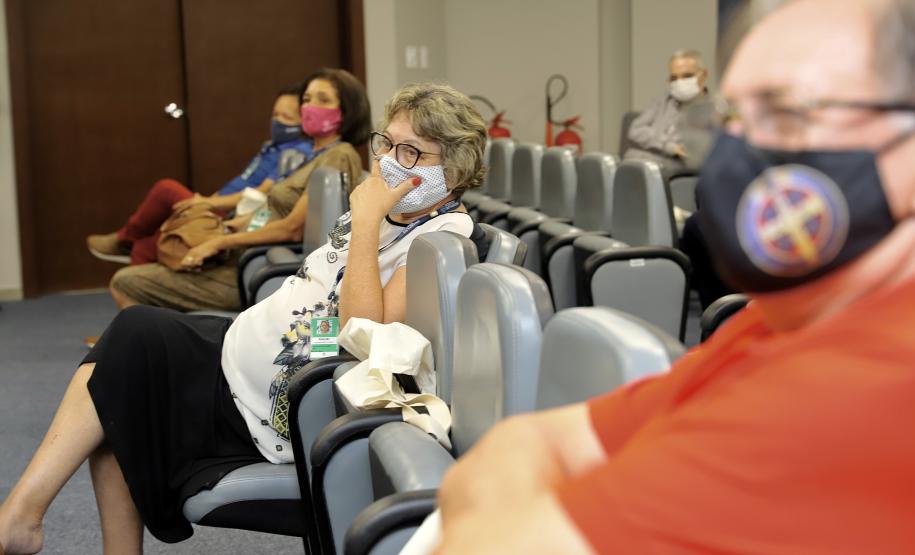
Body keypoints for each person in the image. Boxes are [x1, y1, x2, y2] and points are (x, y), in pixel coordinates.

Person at [432, 0, 915, 553]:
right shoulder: (782, 321)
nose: (742, 153)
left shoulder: (864, 388)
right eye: (732, 121)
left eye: (787, 114)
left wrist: (504, 502)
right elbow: (524, 440)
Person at [0, 82, 488, 554]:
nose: (389, 162)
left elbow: (361, 336)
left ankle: (21, 517)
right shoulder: (395, 212)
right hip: (248, 353)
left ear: (453, 169)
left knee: (132, 349)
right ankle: (24, 517)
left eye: (412, 152)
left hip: (283, 401)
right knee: (119, 375)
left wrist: (364, 223)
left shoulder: (439, 241)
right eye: (387, 143)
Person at [107, 68, 369, 312]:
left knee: (126, 282)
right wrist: (226, 227)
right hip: (243, 256)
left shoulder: (338, 155)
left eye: (323, 100)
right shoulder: (309, 155)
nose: (310, 106)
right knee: (152, 254)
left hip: (258, 267)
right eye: (307, 99)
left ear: (346, 111)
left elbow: (292, 228)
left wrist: (219, 242)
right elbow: (269, 211)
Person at [86, 83, 312, 266]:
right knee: (145, 246)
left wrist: (207, 203)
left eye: (286, 117)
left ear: (303, 122)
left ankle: (124, 240)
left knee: (166, 190)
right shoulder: (272, 146)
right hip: (217, 205)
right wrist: (206, 202)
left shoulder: (296, 152)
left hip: (231, 215)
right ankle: (129, 247)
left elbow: (262, 194)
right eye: (275, 114)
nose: (277, 121)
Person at [624, 49, 709, 174]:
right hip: (639, 169)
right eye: (674, 78)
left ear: (704, 75)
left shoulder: (711, 111)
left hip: (672, 175)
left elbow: (688, 152)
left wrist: (652, 140)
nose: (679, 82)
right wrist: (669, 145)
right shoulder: (662, 101)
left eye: (687, 76)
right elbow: (635, 130)